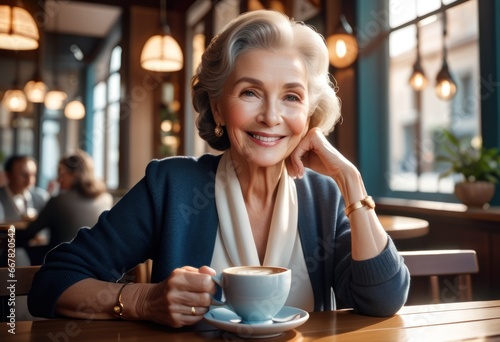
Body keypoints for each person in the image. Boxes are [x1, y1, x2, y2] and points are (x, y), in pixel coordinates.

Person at [28, 10, 409, 328]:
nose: (271, 116)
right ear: (216, 107)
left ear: (309, 115)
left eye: (291, 97)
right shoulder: (172, 185)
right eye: (249, 92)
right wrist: (143, 299)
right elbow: (54, 282)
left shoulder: (325, 197)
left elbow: (383, 299)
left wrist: (350, 179)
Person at [16, 150, 113, 264]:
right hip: (96, 262)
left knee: (17, 250)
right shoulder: (106, 199)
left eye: (61, 174)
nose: (58, 180)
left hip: (62, 264)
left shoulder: (58, 201)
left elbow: (28, 233)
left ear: (74, 174)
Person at [0, 155, 49, 223]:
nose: (29, 181)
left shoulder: (41, 198)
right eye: (24, 175)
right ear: (8, 175)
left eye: (33, 175)